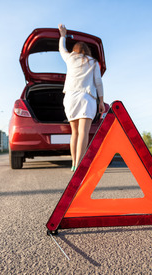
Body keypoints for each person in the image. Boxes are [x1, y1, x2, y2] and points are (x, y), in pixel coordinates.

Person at [58, 24, 105, 172]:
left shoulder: (70, 58)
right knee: (84, 132)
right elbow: (98, 82)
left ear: (75, 50)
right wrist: (101, 101)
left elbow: (61, 49)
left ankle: (73, 163)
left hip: (70, 98)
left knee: (75, 133)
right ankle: (79, 164)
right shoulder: (93, 62)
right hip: (86, 98)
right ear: (87, 51)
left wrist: (62, 35)